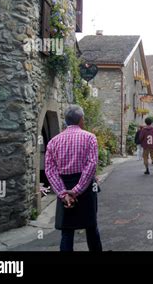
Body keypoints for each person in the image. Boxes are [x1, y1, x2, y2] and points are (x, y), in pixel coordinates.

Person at [45, 105, 102, 252]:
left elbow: (50, 170)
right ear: (81, 119)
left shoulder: (53, 142)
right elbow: (91, 166)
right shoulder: (90, 138)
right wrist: (76, 191)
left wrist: (64, 194)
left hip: (63, 186)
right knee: (91, 228)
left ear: (66, 121)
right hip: (85, 188)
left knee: (67, 231)